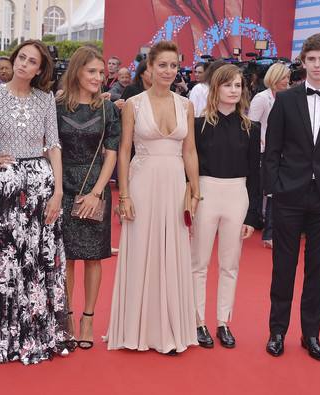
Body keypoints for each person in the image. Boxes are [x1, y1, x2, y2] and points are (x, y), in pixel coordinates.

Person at [0, 40, 71, 364]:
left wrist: (59, 191)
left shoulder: (45, 99)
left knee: (36, 260)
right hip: (3, 188)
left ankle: (33, 332)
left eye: (32, 61)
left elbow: (53, 145)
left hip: (39, 187)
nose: (24, 64)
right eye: (21, 57)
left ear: (40, 69)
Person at [263, 33, 320, 361]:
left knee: (318, 267)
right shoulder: (286, 99)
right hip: (289, 193)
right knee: (283, 266)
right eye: (311, 59)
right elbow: (272, 149)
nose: (317, 65)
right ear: (303, 62)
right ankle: (277, 331)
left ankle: (311, 334)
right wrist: (274, 187)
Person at [107, 40, 199, 355]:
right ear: (149, 68)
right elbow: (123, 150)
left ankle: (170, 328)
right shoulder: (133, 103)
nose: (169, 71)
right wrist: (124, 195)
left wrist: (195, 191)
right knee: (142, 249)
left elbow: (190, 151)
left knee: (173, 250)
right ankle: (137, 329)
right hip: (142, 182)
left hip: (174, 183)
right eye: (163, 65)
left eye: (174, 66)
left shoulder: (186, 105)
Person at [191, 64, 261, 349]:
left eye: (238, 85)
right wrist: (190, 199)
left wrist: (253, 215)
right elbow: (190, 169)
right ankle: (197, 321)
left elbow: (256, 174)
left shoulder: (251, 128)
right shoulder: (199, 125)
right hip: (206, 192)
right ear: (215, 88)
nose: (234, 90)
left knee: (230, 264)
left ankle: (223, 322)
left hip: (237, 194)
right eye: (228, 85)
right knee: (199, 263)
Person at [57, 46, 120, 350]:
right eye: (92, 71)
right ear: (77, 72)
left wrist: (97, 192)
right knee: (67, 257)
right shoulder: (57, 106)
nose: (98, 77)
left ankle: (88, 319)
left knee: (94, 258)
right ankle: (67, 317)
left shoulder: (108, 109)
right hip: (64, 185)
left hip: (96, 187)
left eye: (101, 72)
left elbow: (112, 153)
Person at [249, 62, 291, 248]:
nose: (287, 81)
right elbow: (252, 126)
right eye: (284, 77)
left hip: (282, 152)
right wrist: (262, 142)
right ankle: (251, 223)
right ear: (274, 78)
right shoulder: (261, 98)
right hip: (262, 153)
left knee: (275, 192)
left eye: (288, 78)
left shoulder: (289, 97)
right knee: (258, 192)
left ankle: (270, 234)